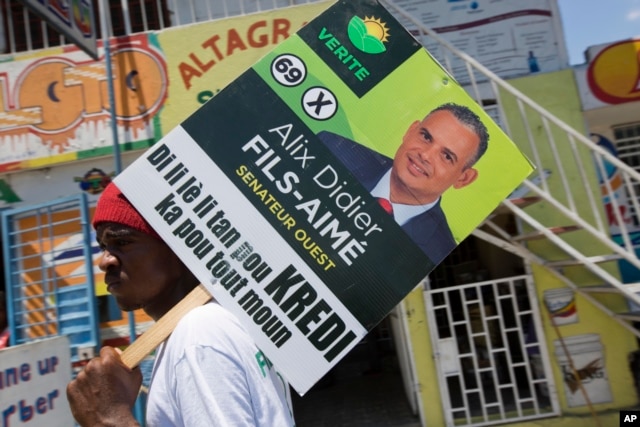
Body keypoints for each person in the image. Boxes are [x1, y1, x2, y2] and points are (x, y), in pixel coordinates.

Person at [66, 182, 295, 426]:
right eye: (103, 247)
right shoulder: (198, 330)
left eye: (122, 243)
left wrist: (109, 420)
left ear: (178, 246)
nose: (105, 261)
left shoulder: (200, 334)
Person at [318, 102, 489, 265]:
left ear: (463, 178)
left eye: (446, 156)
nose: (426, 155)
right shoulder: (331, 150)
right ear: (410, 131)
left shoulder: (436, 255)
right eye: (426, 137)